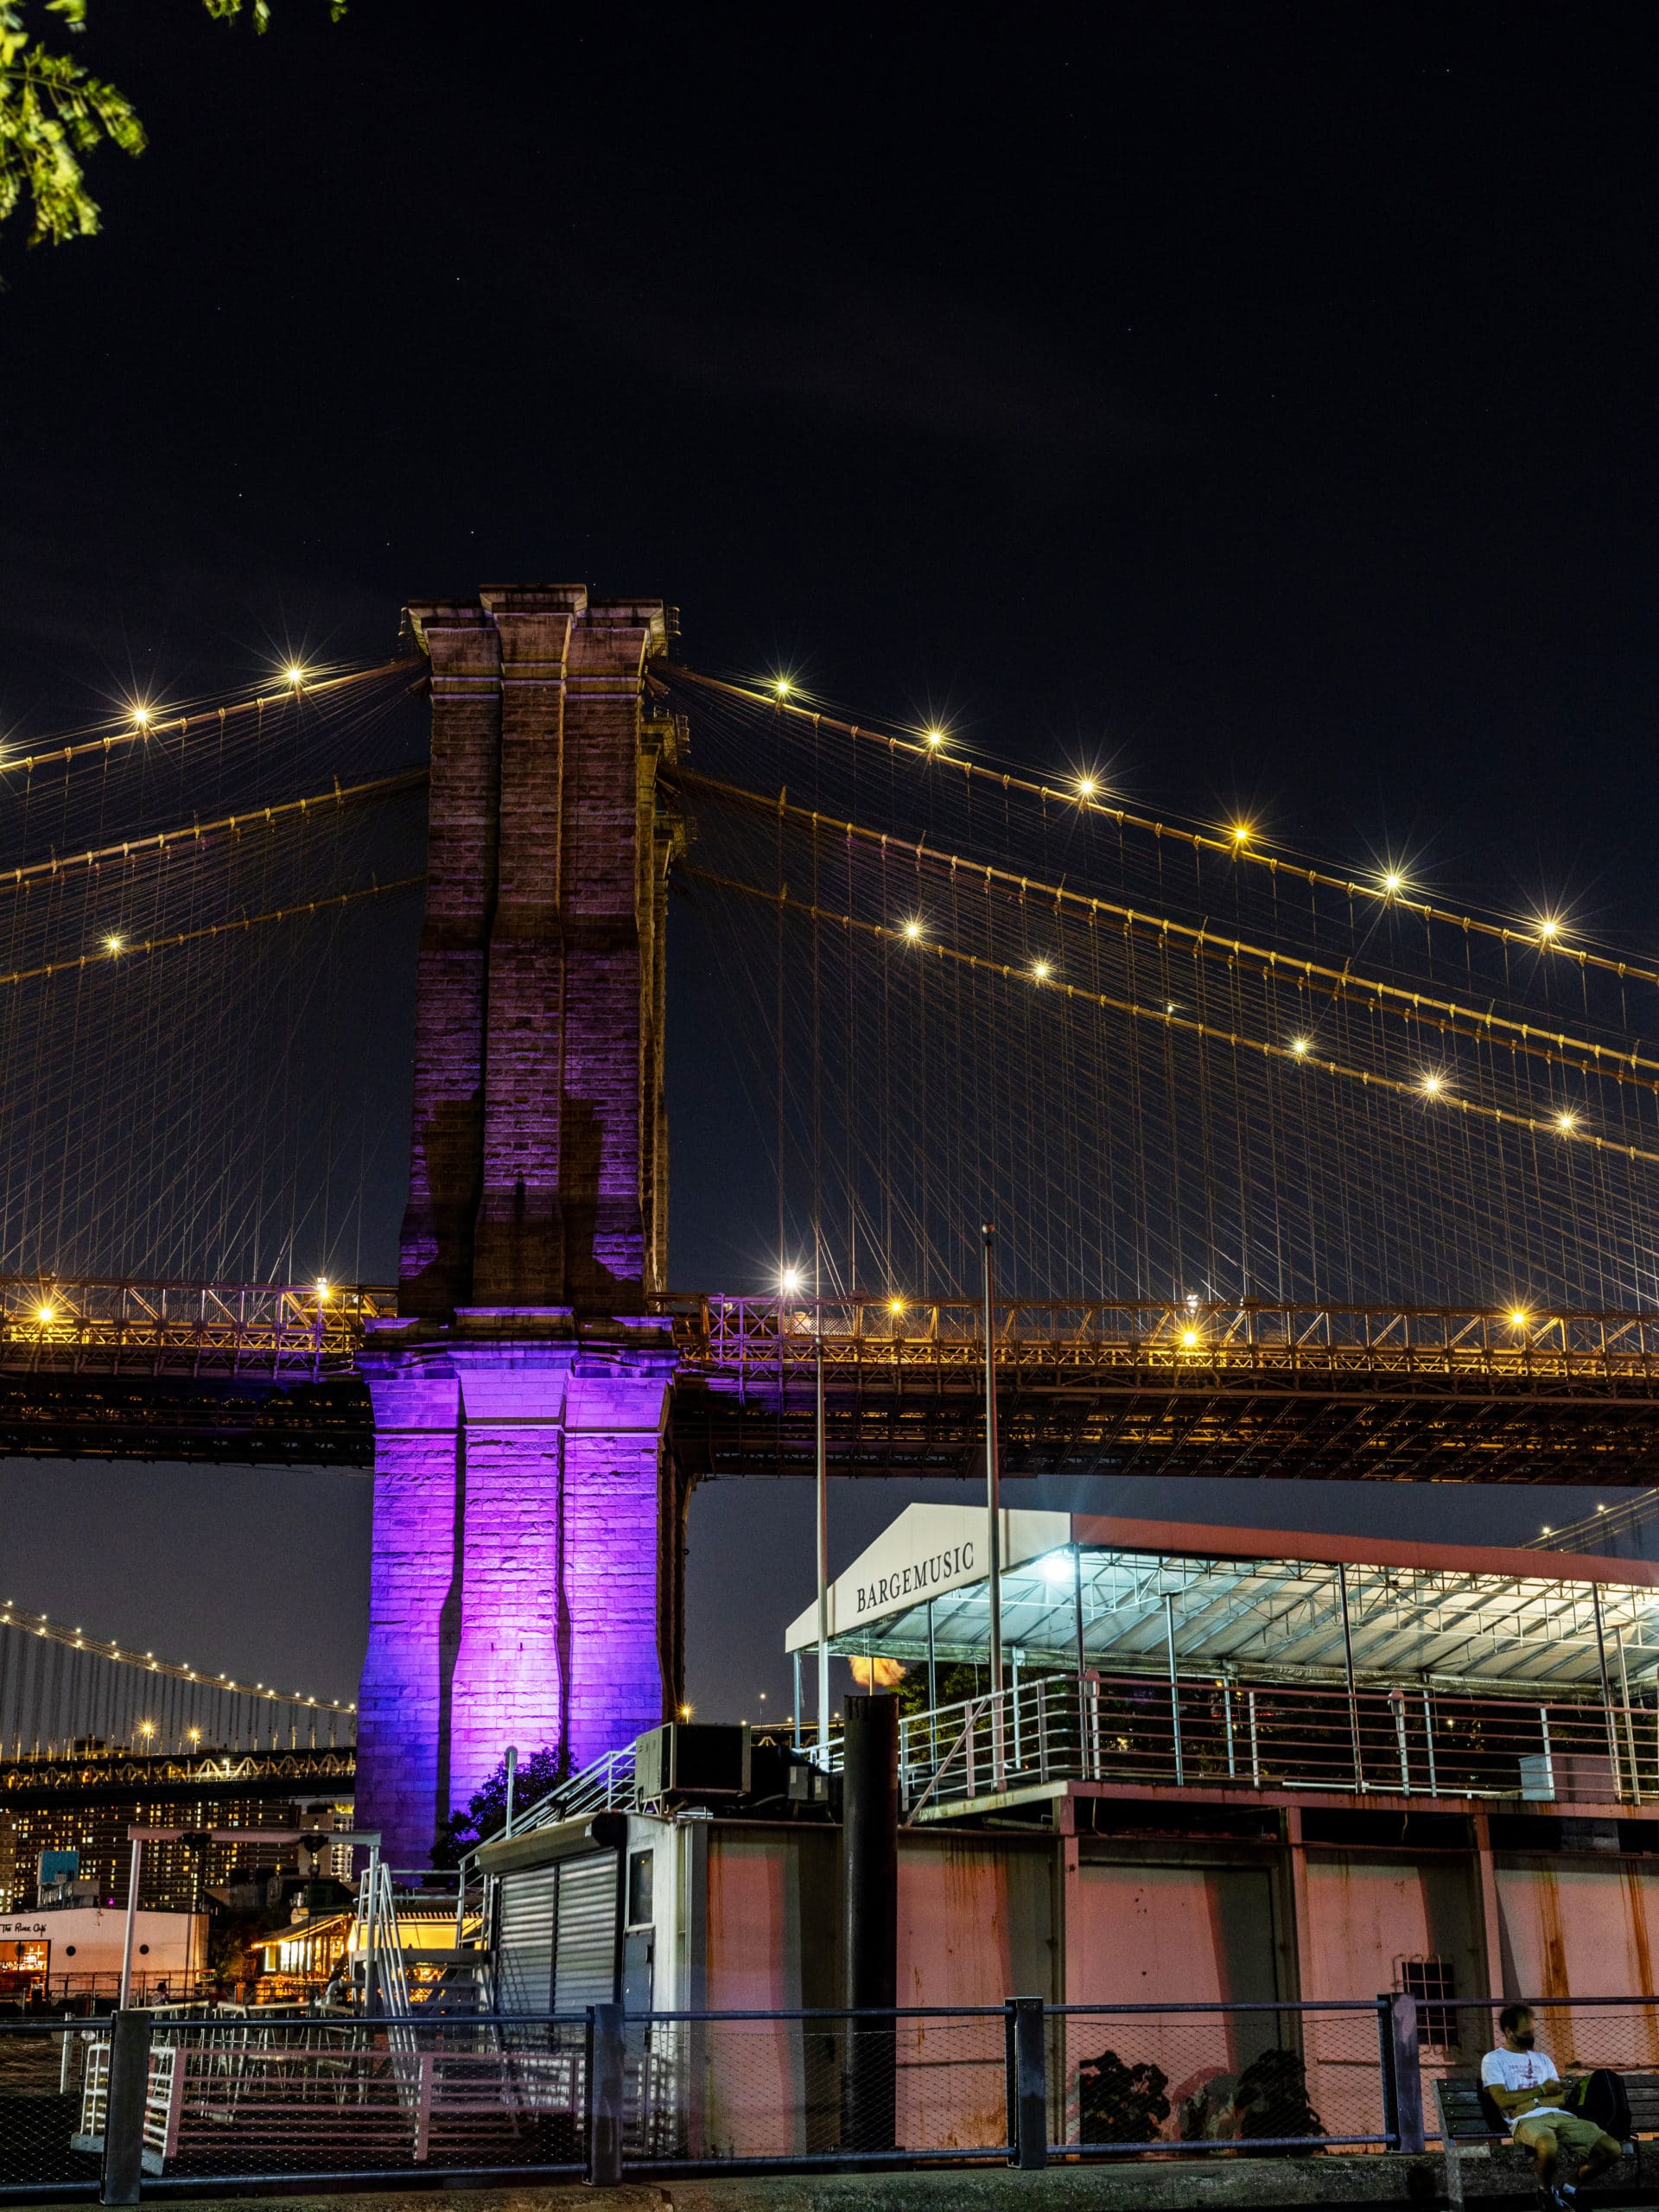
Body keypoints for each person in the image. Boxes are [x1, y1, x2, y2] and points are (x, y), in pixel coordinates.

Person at [1480, 2003, 1622, 2209]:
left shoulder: (1542, 2059)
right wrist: (1542, 2090)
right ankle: (1545, 2193)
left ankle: (1569, 2189)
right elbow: (1502, 2099)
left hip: (1559, 2116)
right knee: (1548, 2146)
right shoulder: (1494, 2059)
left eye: (1532, 2029)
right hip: (1524, 2120)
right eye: (1526, 2031)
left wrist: (1533, 2101)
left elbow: (1559, 2099)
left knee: (1612, 2148)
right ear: (1509, 2032)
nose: (1531, 2034)